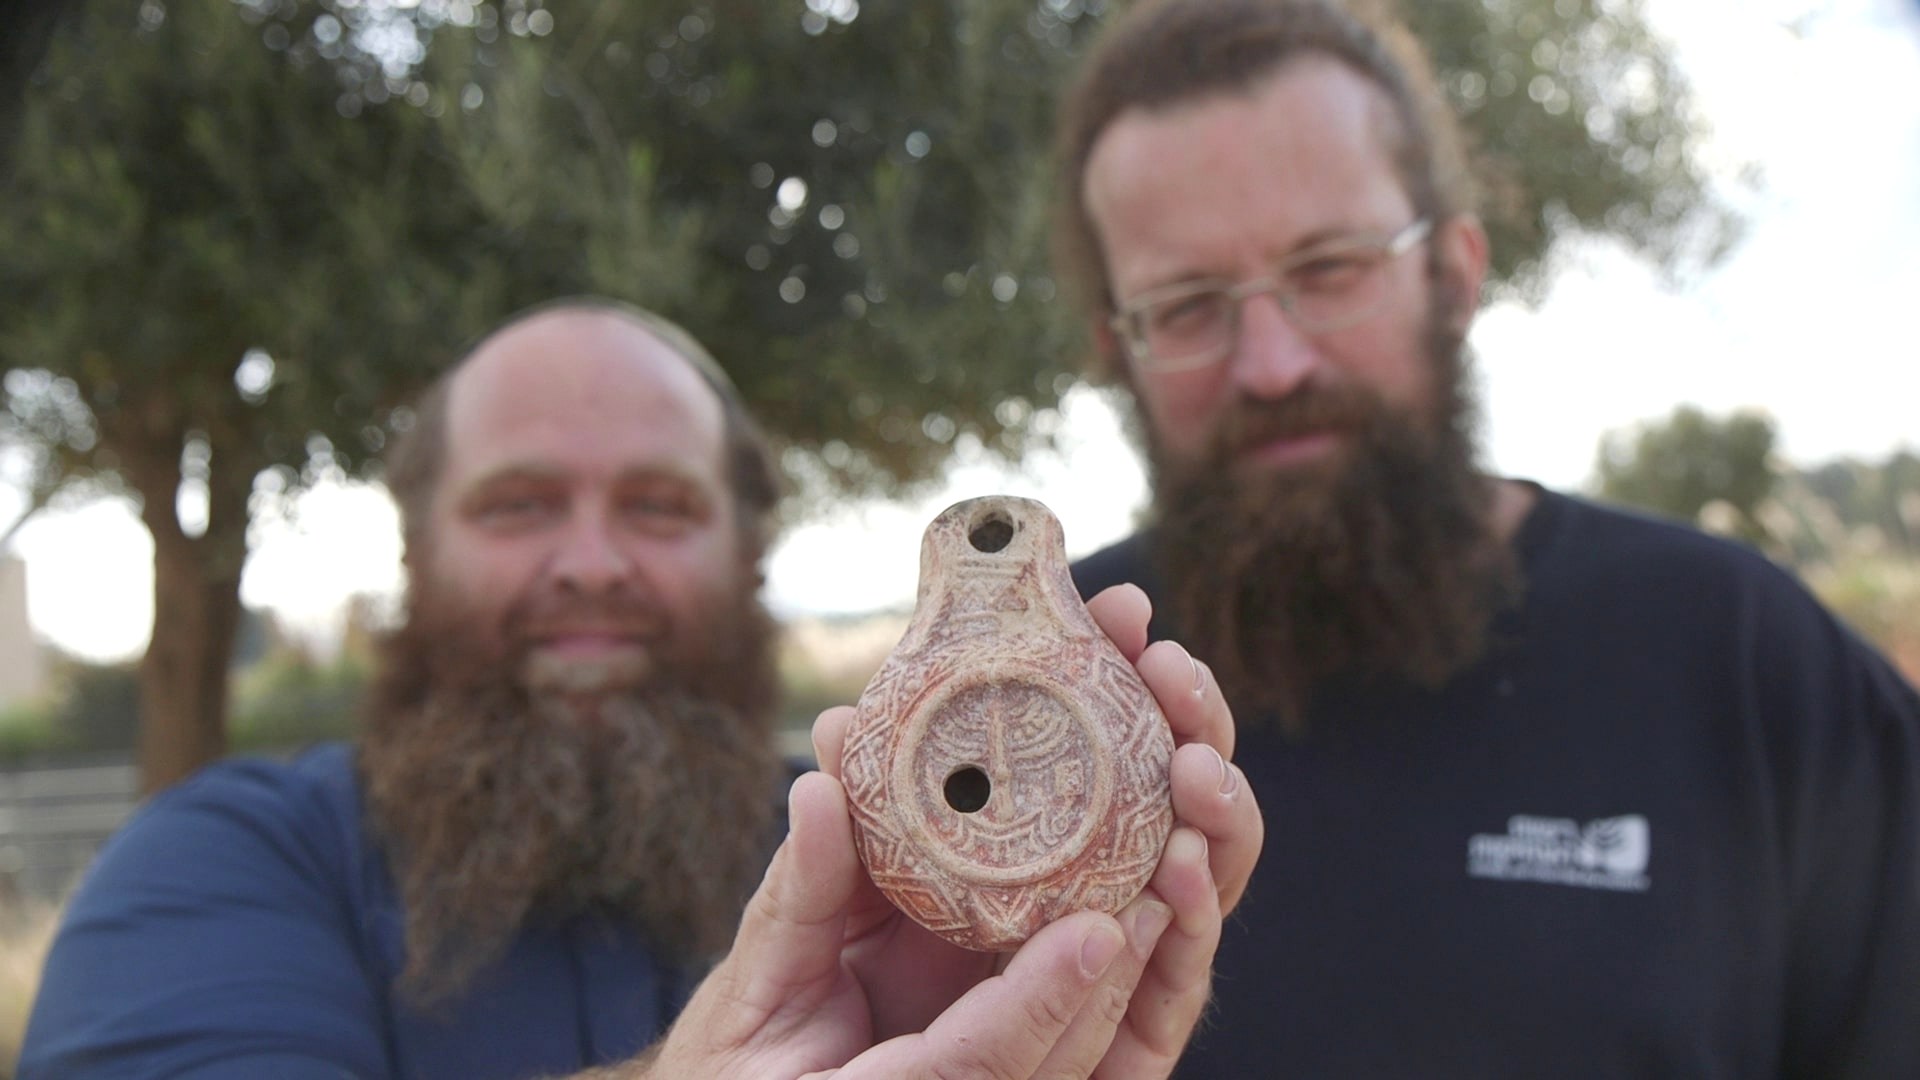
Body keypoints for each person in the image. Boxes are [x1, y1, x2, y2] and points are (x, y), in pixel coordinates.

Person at [18, 299, 1263, 1079]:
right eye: (519, 505)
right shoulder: (225, 863)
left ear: (747, 555)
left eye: (659, 507)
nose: (594, 564)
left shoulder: (892, 885)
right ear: (415, 553)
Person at [1050, 1, 1920, 1076]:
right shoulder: (1047, 689)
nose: (1271, 364)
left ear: (1454, 276)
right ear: (1116, 348)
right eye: (1186, 305)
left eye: (1330, 267)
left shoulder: (1747, 663)